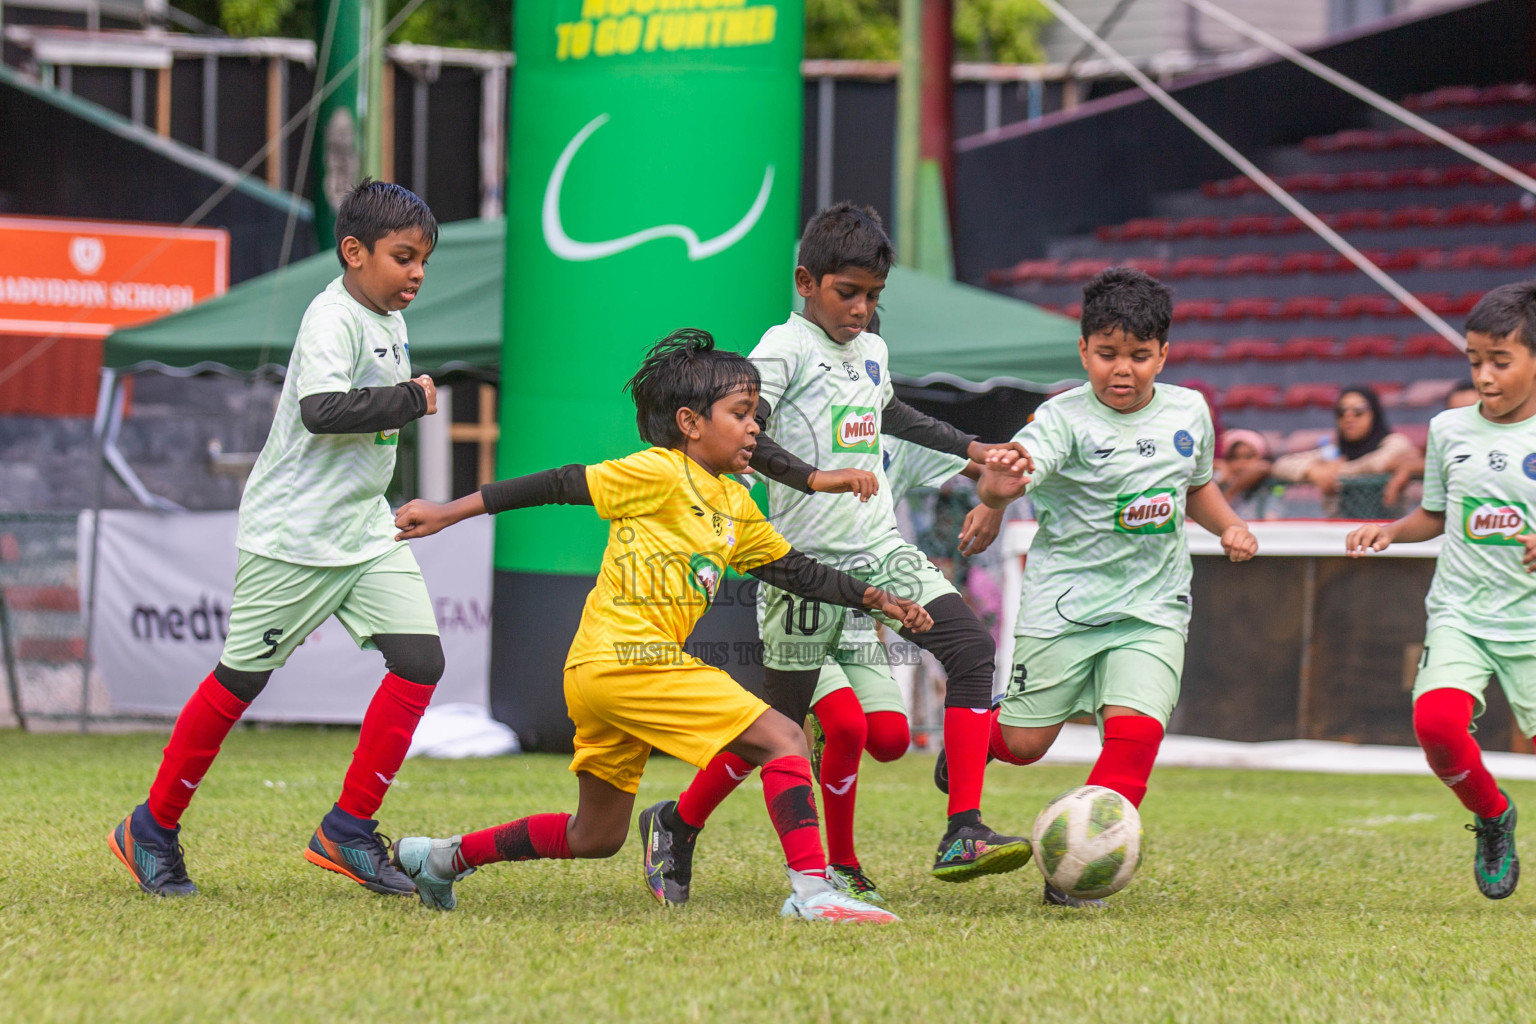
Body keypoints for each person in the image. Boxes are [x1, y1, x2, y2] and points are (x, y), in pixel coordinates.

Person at [387, 329, 929, 923]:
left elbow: (795, 570)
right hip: (627, 659)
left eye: (758, 416)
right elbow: (561, 482)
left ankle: (441, 858)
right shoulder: (662, 471)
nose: (755, 428)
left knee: (595, 834)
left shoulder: (736, 504)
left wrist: (878, 597)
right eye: (741, 414)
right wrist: (448, 511)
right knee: (784, 737)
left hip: (600, 672)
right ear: (691, 422)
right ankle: (812, 891)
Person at [637, 203, 1032, 909]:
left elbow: (892, 413)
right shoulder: (780, 349)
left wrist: (973, 450)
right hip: (801, 566)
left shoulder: (872, 352)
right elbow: (747, 431)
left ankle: (963, 828)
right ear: (805, 281)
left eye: (873, 297)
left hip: (878, 548)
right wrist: (816, 478)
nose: (860, 309)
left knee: (972, 651)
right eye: (847, 292)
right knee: (778, 732)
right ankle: (677, 820)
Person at [109, 180, 445, 897]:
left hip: (363, 528)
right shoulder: (333, 317)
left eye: (423, 260)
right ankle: (151, 828)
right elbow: (323, 410)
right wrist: (412, 398)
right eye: (403, 257)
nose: (416, 272)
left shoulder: (384, 313)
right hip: (294, 536)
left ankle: (349, 830)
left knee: (420, 662)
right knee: (241, 681)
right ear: (354, 253)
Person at [968, 267, 1259, 906]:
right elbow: (1006, 479)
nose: (1121, 370)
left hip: (1154, 607)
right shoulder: (1059, 420)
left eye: (1137, 356)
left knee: (1136, 735)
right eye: (1106, 355)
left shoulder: (1190, 411)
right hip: (1065, 604)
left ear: (1163, 354)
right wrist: (995, 491)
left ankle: (1075, 873)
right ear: (1083, 352)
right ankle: (972, 746)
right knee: (1024, 745)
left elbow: (1196, 486)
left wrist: (1230, 524)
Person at [1345, 282, 1536, 901]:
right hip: (1461, 612)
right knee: (1436, 724)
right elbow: (1434, 515)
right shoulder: (1449, 429)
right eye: (1474, 360)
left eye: (1500, 362)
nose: (1483, 376)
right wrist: (1389, 532)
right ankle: (1493, 816)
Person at [806, 440, 1004, 903]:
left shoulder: (889, 440)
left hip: (859, 620)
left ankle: (963, 830)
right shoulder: (795, 430)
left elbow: (980, 468)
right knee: (845, 729)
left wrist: (1000, 494)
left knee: (891, 741)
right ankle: (841, 863)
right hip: (797, 613)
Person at [1272, 385, 1417, 513]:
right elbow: (1281, 465)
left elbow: (1379, 463)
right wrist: (1312, 471)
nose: (1349, 417)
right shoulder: (1334, 451)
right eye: (1341, 412)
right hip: (1341, 531)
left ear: (1374, 414)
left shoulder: (1396, 442)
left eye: (1358, 411)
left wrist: (1334, 473)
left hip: (1390, 529)